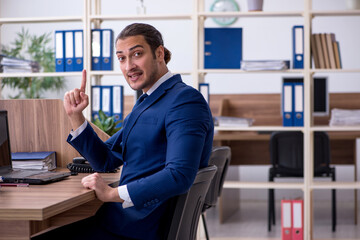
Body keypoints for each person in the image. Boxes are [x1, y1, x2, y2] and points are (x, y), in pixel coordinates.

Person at [32, 23, 213, 240]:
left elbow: (179, 175)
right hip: (125, 222)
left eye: (137, 54)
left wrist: (111, 193)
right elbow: (106, 160)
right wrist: (76, 116)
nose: (129, 66)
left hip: (138, 228)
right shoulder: (148, 101)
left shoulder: (184, 101)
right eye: (121, 58)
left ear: (159, 53)